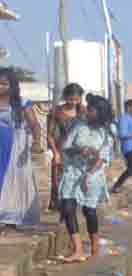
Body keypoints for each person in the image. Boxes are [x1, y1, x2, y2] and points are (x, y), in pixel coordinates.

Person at [58, 95, 116, 262]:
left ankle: (95, 244)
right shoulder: (79, 126)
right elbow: (65, 147)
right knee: (68, 207)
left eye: (90, 109)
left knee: (88, 210)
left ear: (99, 112)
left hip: (93, 175)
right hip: (73, 171)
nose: (86, 111)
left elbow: (103, 158)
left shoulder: (107, 133)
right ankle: (78, 249)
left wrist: (89, 174)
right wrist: (79, 150)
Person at [0, 68, 42, 233]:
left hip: (15, 149)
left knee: (14, 183)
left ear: (12, 86)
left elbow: (35, 125)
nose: (0, 87)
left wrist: (37, 142)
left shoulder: (22, 103)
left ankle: (11, 219)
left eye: (4, 84)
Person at [46, 83, 85, 211]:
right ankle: (60, 208)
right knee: (59, 180)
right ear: (65, 96)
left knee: (77, 179)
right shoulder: (56, 112)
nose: (73, 102)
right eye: (70, 99)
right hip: (62, 150)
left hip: (80, 151)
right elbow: (50, 134)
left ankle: (74, 207)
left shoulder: (83, 111)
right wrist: (55, 153)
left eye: (76, 99)